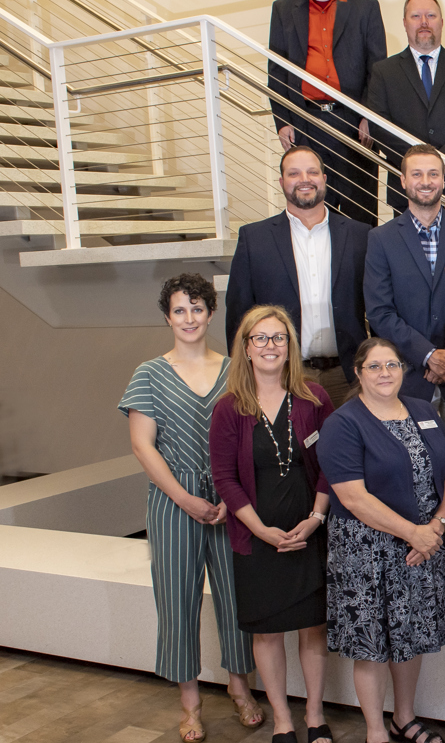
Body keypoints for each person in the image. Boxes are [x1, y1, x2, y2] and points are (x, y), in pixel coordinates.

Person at [119, 274, 261, 743]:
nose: (189, 318)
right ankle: (190, 702)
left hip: (230, 500)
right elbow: (143, 446)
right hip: (172, 503)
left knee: (238, 597)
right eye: (180, 310)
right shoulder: (148, 373)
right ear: (167, 317)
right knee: (176, 601)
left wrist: (229, 495)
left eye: (197, 308)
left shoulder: (236, 370)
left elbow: (249, 438)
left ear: (211, 313)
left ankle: (240, 687)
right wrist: (184, 498)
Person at [316, 337, 445, 743]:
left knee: (410, 635)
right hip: (367, 551)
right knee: (372, 644)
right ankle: (376, 731)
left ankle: (404, 719)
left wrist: (438, 525)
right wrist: (415, 533)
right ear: (358, 372)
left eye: (392, 365)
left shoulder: (422, 410)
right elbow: (353, 498)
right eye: (374, 366)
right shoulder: (343, 424)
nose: (384, 373)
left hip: (424, 545)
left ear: (403, 369)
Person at [210, 305, 335, 743]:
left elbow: (331, 465)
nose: (270, 346)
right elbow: (225, 478)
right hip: (257, 539)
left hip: (310, 534)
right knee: (266, 633)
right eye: (260, 338)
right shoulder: (229, 409)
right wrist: (260, 530)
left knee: (313, 629)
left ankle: (315, 716)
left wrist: (316, 518)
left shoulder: (314, 398)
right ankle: (283, 719)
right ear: (245, 348)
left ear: (290, 346)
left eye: (278, 338)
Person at [225, 146, 369, 407]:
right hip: (283, 376)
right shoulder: (254, 238)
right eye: (294, 173)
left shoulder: (360, 235)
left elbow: (377, 306)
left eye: (312, 172)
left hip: (349, 377)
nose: (305, 179)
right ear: (282, 182)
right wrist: (245, 376)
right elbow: (239, 315)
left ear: (324, 179)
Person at [364, 144, 445, 444]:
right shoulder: (381, 239)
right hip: (410, 379)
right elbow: (380, 312)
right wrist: (428, 356)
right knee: (414, 464)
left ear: (443, 179)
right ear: (403, 181)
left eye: (433, 174)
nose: (426, 181)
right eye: (417, 174)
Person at [267, 0, 386, 225]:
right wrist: (282, 121)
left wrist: (369, 117)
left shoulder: (366, 8)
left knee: (360, 213)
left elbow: (378, 70)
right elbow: (276, 70)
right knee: (311, 210)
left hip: (354, 125)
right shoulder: (283, 10)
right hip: (305, 122)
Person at [366, 0, 445, 210]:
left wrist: (443, 161)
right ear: (404, 23)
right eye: (416, 16)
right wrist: (418, 166)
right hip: (406, 191)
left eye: (430, 16)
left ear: (441, 22)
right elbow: (379, 125)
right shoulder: (384, 71)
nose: (424, 22)